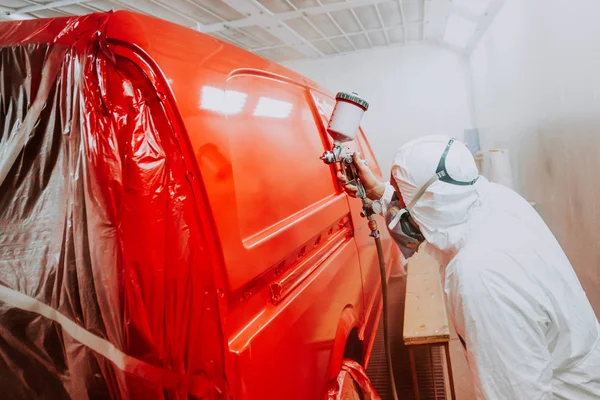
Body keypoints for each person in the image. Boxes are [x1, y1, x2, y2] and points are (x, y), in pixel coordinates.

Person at [338, 135, 600, 399]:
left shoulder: (481, 279)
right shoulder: (494, 199)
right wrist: (383, 194)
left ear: (429, 201)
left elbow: (516, 394)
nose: (397, 208)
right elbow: (430, 214)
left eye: (401, 199)